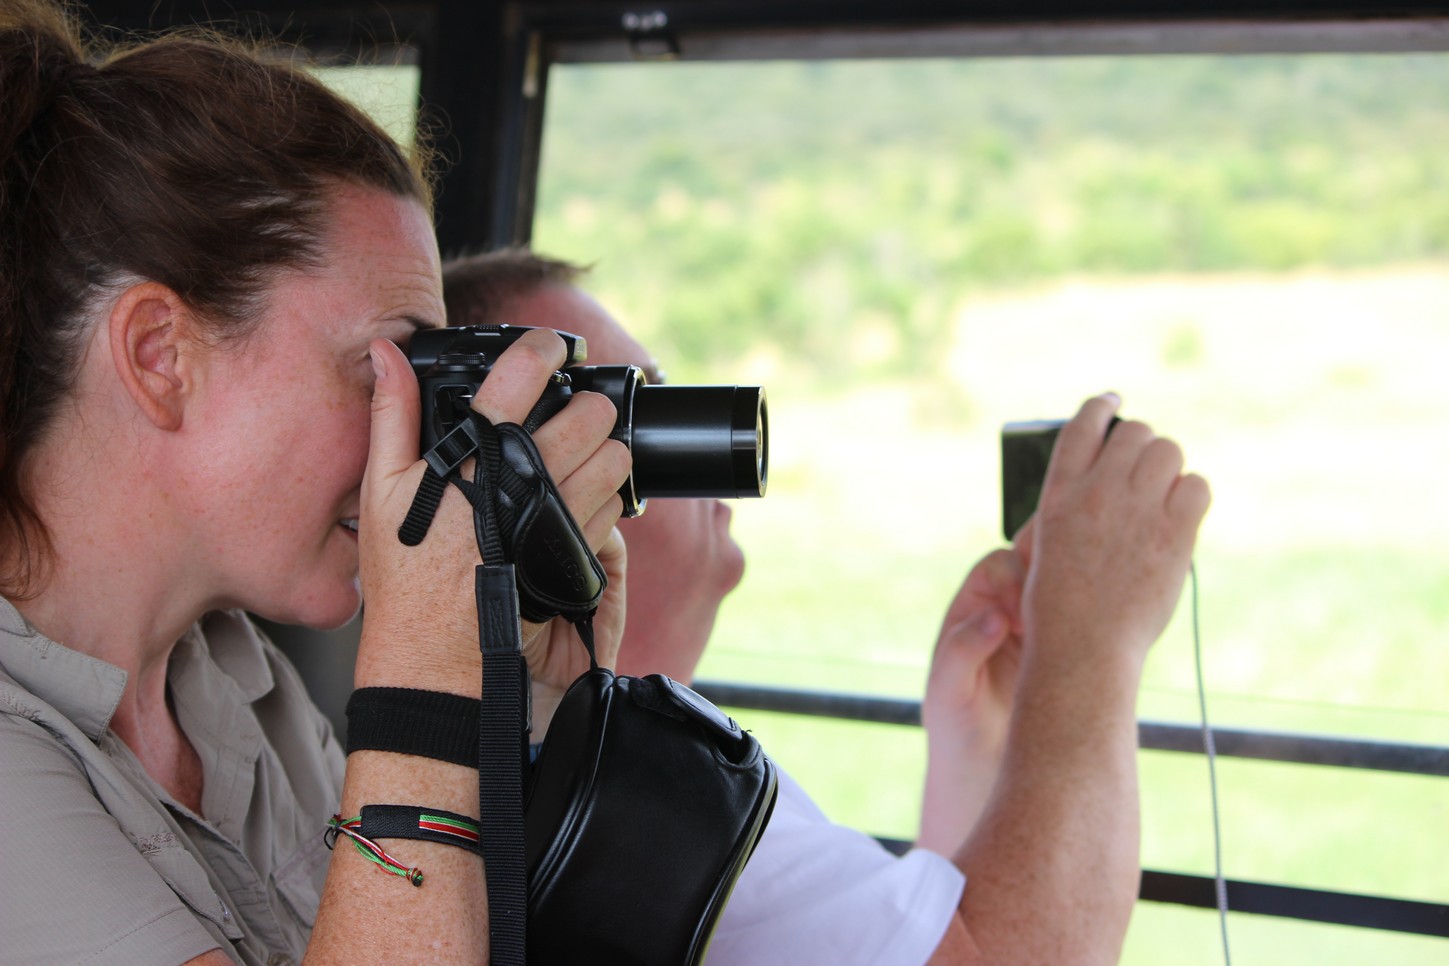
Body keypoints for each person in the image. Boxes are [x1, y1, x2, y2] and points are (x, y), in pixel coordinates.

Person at [0, 5, 630, 964]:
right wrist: (424, 689)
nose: (412, 439)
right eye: (383, 372)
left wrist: (529, 719)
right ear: (162, 355)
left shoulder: (237, 685)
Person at [442, 248, 1212, 964]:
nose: (686, 431)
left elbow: (909, 944)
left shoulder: (590, 761)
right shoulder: (627, 796)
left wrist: (978, 746)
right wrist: (1091, 641)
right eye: (630, 405)